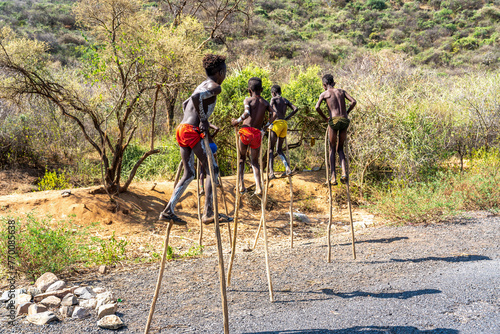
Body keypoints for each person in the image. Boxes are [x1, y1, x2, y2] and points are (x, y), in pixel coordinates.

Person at [158, 54, 227, 225]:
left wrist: (200, 120)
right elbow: (196, 99)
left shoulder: (201, 85)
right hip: (191, 131)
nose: (225, 74)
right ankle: (208, 213)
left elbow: (185, 103)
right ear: (220, 72)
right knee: (213, 170)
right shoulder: (215, 87)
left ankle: (168, 211)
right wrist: (202, 120)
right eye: (225, 71)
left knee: (189, 174)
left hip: (182, 129)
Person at [231, 77, 273, 195]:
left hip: (246, 132)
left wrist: (237, 121)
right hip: (256, 133)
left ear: (249, 90)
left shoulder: (248, 100)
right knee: (254, 161)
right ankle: (259, 187)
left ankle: (241, 185)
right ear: (262, 89)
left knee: (241, 158)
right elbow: (274, 113)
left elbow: (247, 113)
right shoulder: (265, 102)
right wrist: (266, 126)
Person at [315, 74, 356, 185]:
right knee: (340, 149)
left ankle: (333, 177)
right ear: (334, 83)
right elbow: (354, 102)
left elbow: (317, 107)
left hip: (334, 121)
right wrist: (346, 113)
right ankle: (344, 173)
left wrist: (325, 118)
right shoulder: (341, 91)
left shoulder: (324, 94)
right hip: (345, 121)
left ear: (324, 85)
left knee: (332, 148)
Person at [267, 84, 298, 179]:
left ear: (273, 93)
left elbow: (270, 111)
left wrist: (269, 123)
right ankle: (287, 168)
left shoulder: (273, 99)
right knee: (279, 149)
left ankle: (271, 173)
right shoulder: (285, 100)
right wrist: (286, 118)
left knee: (271, 149)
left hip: (276, 124)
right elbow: (295, 108)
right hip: (284, 124)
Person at [199, 123, 220, 195]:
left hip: (205, 147)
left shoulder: (196, 125)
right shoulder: (205, 123)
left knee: (202, 169)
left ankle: (201, 188)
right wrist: (212, 136)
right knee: (212, 163)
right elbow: (217, 129)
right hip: (213, 146)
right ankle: (216, 180)